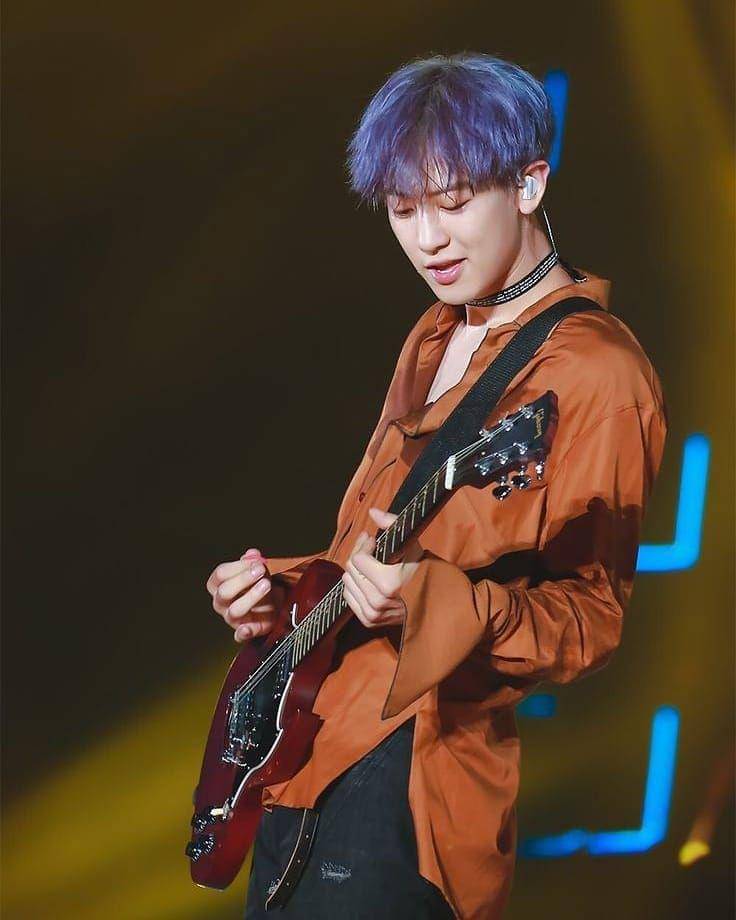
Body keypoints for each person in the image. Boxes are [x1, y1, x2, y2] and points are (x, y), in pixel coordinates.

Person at [206, 52, 667, 919]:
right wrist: (278, 593)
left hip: (412, 784)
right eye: (402, 209)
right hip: (297, 759)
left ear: (529, 184)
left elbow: (591, 621)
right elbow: (367, 544)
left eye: (452, 204)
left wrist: (434, 606)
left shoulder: (598, 372)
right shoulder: (432, 334)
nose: (428, 240)